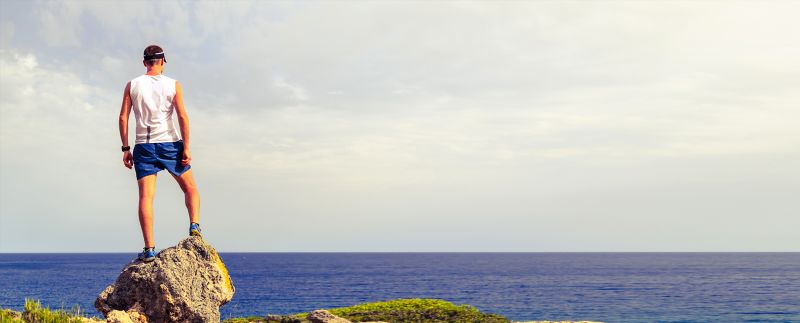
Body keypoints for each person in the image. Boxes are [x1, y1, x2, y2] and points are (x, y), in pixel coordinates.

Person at [118, 45, 202, 262]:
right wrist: (187, 146)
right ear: (163, 60)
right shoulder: (173, 84)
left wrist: (125, 148)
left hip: (143, 146)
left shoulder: (133, 85)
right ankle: (194, 226)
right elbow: (182, 116)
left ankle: (150, 249)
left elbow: (123, 118)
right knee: (190, 188)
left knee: (146, 198)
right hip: (170, 143)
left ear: (144, 62)